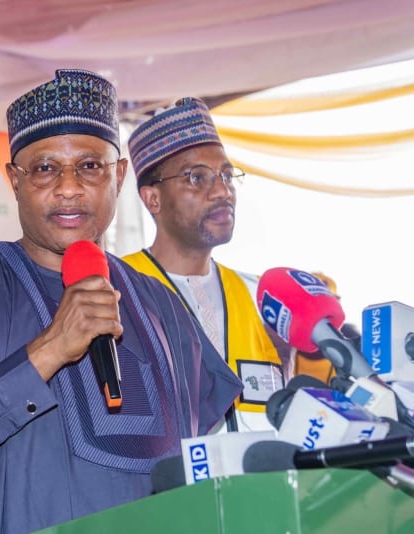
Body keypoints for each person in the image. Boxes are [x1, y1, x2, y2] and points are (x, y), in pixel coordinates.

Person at [0, 69, 243, 533]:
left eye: (90, 166)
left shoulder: (161, 305)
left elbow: (201, 462)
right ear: (14, 180)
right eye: (45, 168)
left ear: (118, 176)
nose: (69, 187)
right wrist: (47, 351)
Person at [122, 97, 295, 433]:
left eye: (227, 175)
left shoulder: (261, 295)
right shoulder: (118, 288)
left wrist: (287, 360)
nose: (222, 191)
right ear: (151, 198)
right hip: (173, 485)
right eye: (197, 178)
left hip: (261, 482)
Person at [294, 272, 360, 383]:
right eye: (311, 302)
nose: (317, 309)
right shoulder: (284, 337)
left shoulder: (351, 336)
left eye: (324, 302)